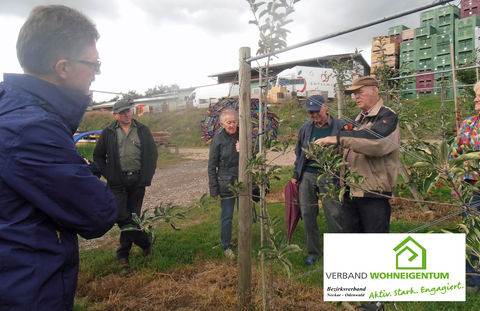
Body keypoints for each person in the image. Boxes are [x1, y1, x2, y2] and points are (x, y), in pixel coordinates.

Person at [0, 5, 117, 310]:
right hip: (24, 294)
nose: (98, 72)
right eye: (94, 63)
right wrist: (87, 169)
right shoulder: (30, 128)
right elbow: (98, 213)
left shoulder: (11, 109)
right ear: (63, 67)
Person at [315, 76, 400, 234]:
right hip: (351, 191)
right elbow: (347, 147)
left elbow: (377, 143)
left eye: (359, 92)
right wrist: (328, 149)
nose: (356, 97)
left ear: (374, 90)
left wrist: (339, 138)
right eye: (354, 93)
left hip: (373, 193)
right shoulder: (357, 119)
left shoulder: (387, 116)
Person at [94, 99, 158, 269]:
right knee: (121, 216)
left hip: (138, 181)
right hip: (118, 182)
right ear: (115, 115)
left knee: (133, 218)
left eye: (128, 111)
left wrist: (146, 177)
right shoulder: (108, 132)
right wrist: (109, 175)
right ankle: (145, 242)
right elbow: (98, 156)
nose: (127, 114)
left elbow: (152, 155)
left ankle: (123, 255)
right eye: (122, 112)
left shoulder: (143, 130)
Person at [291, 95, 344, 265]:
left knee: (334, 214)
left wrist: (331, 147)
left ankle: (338, 254)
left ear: (325, 107)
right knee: (307, 214)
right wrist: (296, 173)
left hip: (329, 174)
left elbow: (348, 149)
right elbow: (299, 152)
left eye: (316, 111)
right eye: (310, 113)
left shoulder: (339, 126)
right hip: (307, 174)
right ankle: (313, 253)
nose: (314, 116)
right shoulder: (306, 128)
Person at [451, 80, 480, 292]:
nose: (476, 98)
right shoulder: (469, 124)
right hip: (472, 183)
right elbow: (455, 154)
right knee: (471, 229)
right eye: (476, 94)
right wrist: (456, 179)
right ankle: (472, 279)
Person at [208, 109, 239, 259]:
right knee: (227, 216)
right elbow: (211, 166)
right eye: (229, 122)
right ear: (222, 124)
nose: (232, 125)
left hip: (243, 181)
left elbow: (253, 156)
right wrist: (214, 189)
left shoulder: (244, 135)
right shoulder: (218, 140)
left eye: (234, 122)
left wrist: (243, 149)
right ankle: (226, 245)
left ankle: (244, 240)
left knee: (246, 214)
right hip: (226, 183)